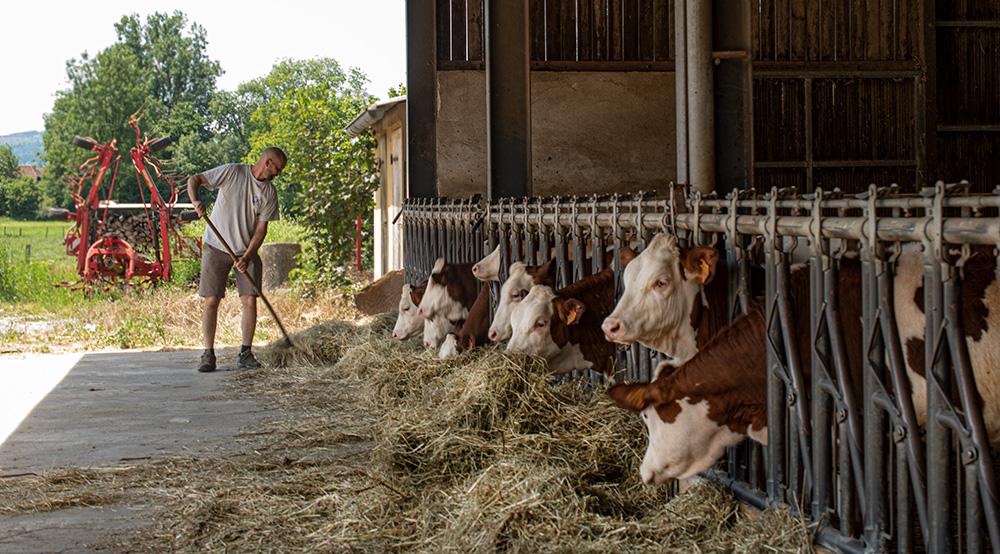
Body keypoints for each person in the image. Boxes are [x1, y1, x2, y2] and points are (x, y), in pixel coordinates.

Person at [187, 147, 287, 372]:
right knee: (211, 300)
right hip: (216, 246)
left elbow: (261, 230)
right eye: (278, 169)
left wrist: (248, 256)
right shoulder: (232, 172)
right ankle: (208, 354)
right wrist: (196, 202)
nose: (278, 174)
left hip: (246, 251)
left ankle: (245, 353)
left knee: (250, 300)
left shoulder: (269, 193)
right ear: (268, 162)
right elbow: (195, 180)